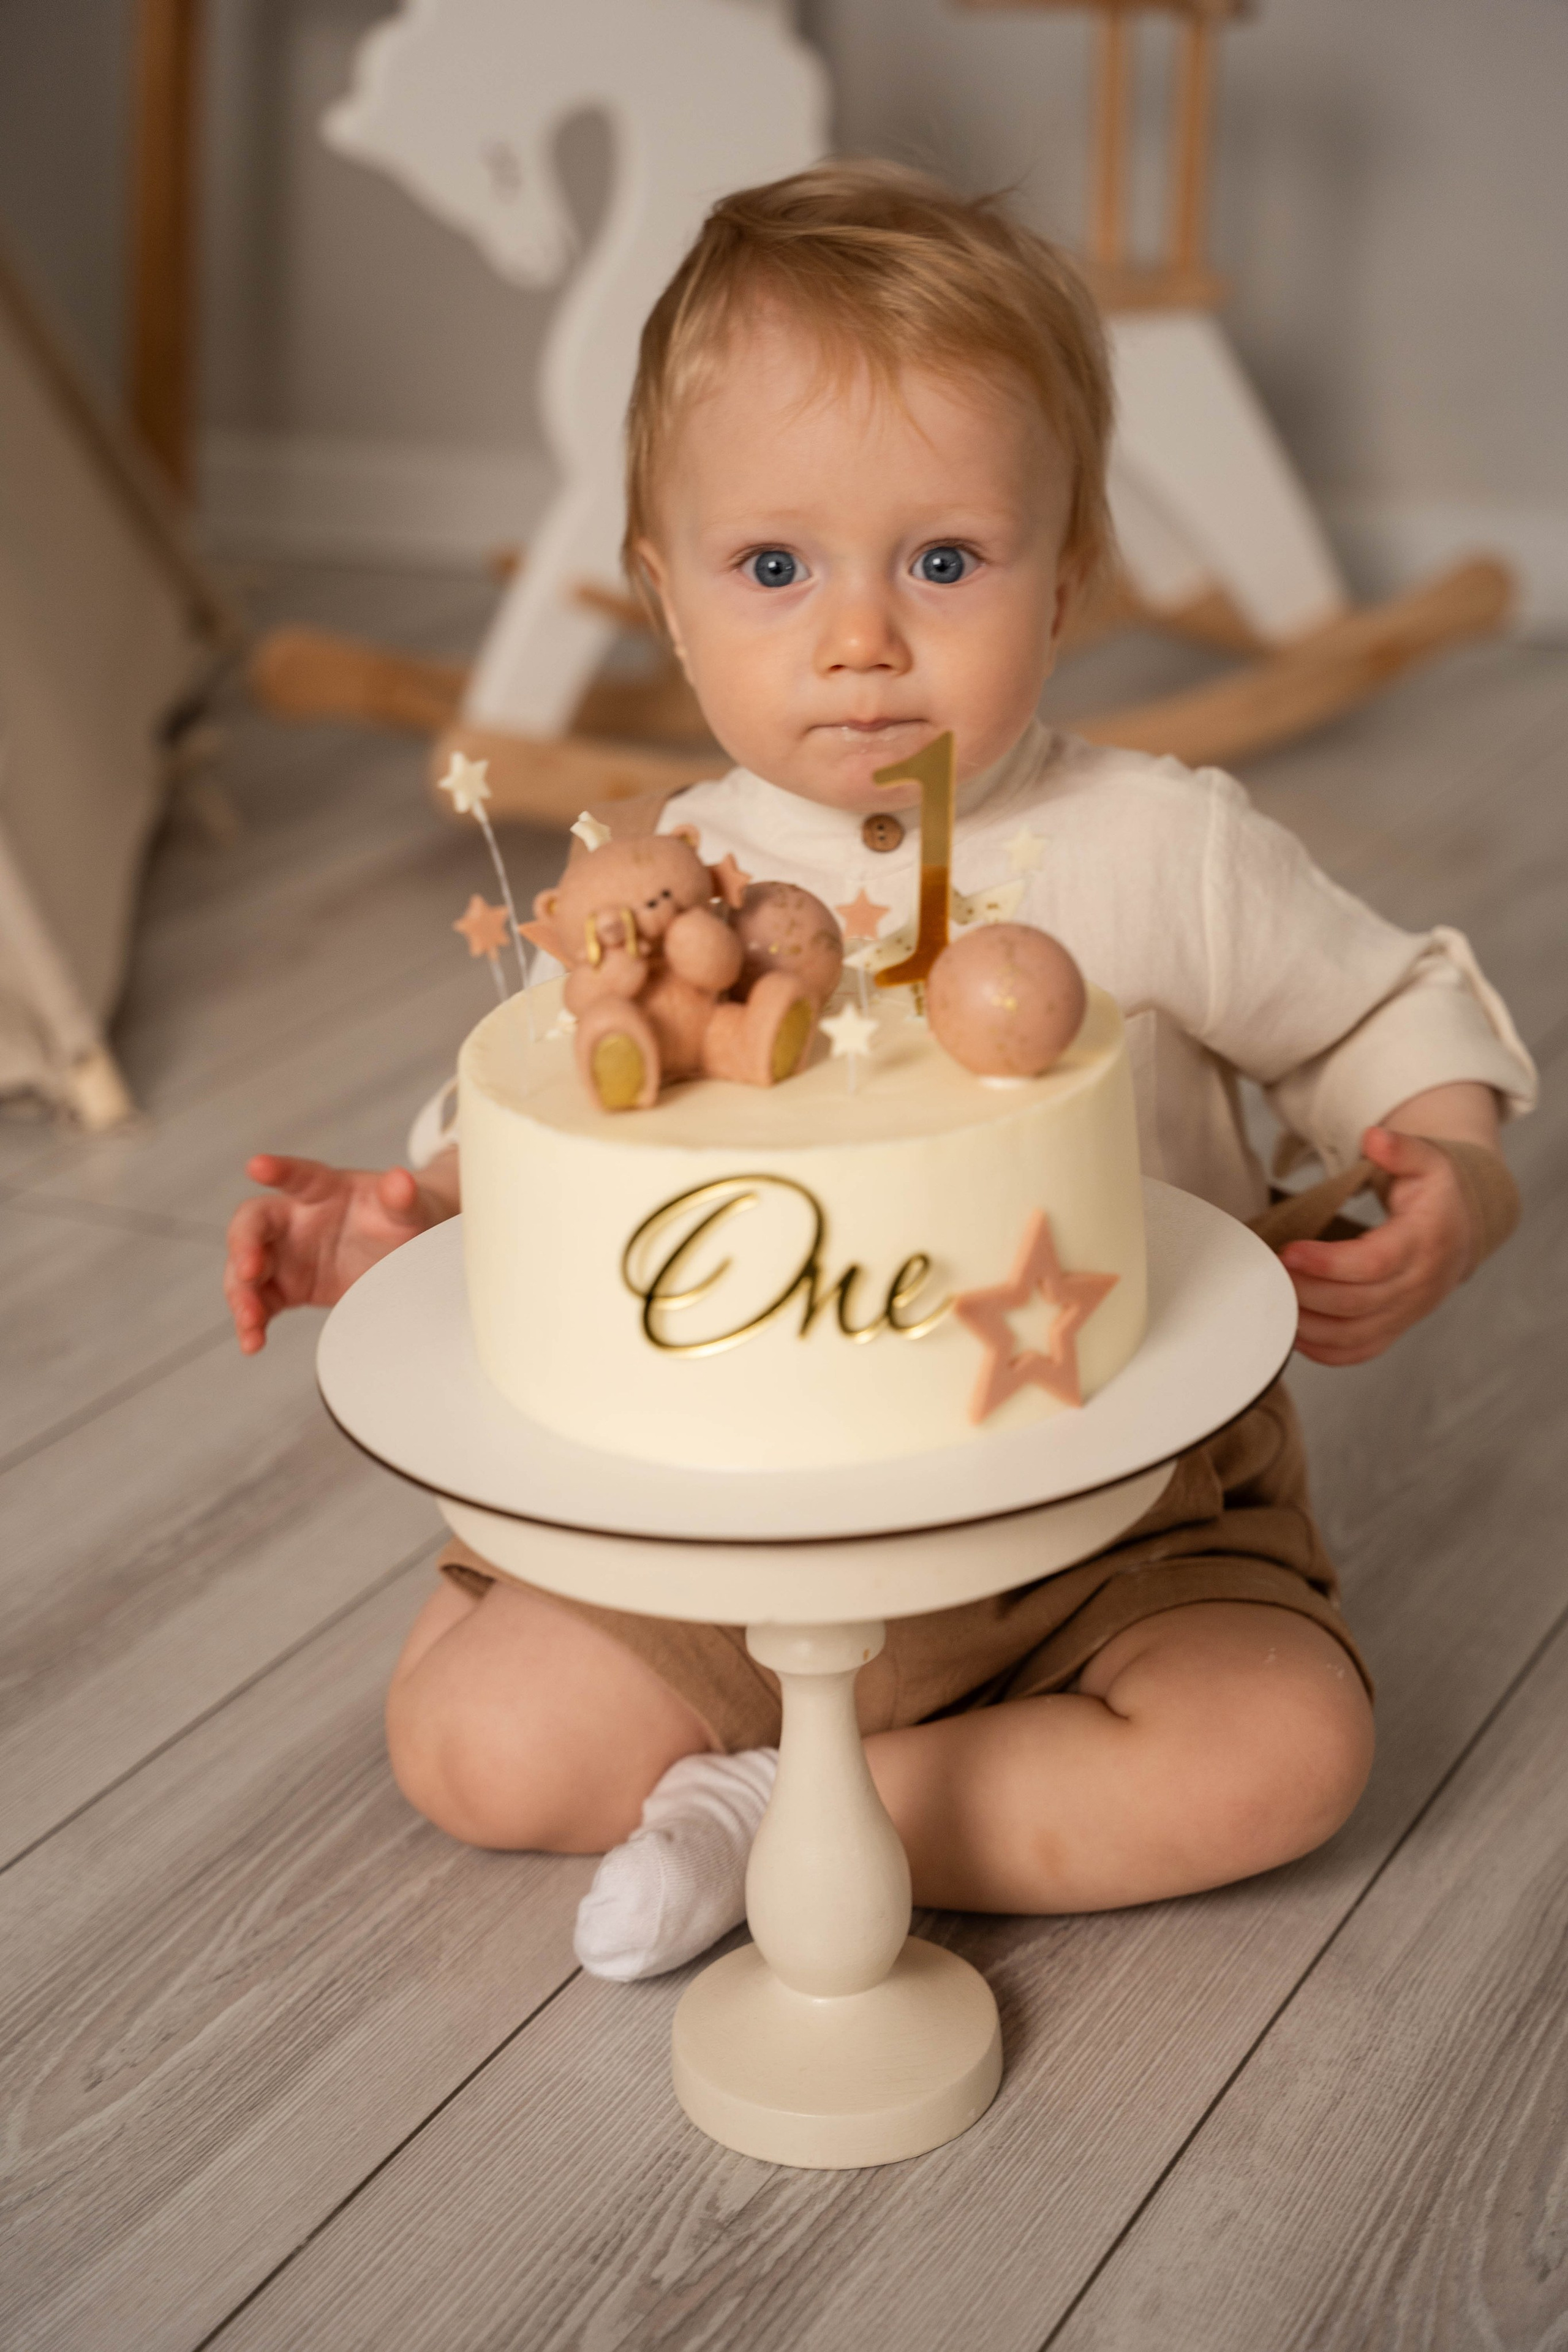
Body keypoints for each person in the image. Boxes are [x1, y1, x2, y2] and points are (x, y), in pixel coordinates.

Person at [224, 164, 1534, 1982]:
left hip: (1108, 1513)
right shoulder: (661, 875)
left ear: (1064, 575)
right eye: (776, 568)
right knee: (472, 1747)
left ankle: (791, 1808)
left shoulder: (1159, 849)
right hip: (744, 1510)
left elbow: (1383, 1016)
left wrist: (1451, 1175)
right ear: (666, 601)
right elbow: (539, 1130)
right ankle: (810, 1761)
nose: (862, 638)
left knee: (1285, 1754)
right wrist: (406, 1216)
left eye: (943, 561)